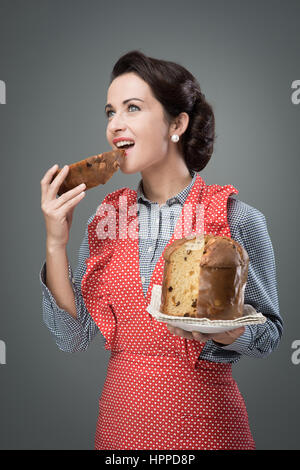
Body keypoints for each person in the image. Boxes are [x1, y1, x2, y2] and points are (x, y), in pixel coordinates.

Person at [40, 50, 283, 450]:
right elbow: (73, 337)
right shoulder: (107, 219)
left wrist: (222, 330)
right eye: (109, 112)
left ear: (177, 123)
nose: (115, 125)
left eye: (132, 108)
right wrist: (55, 241)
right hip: (118, 431)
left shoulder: (235, 217)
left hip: (207, 430)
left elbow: (269, 336)